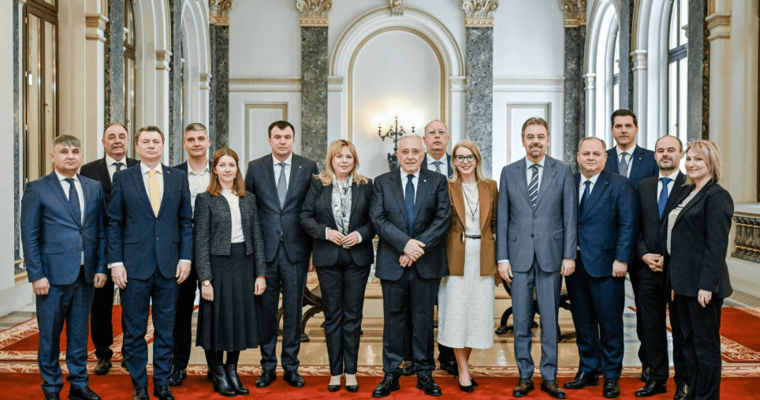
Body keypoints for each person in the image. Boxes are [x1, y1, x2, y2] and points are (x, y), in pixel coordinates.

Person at [107, 126, 193, 400]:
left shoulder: (178, 178)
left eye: (156, 141)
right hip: (134, 267)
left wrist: (186, 257)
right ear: (137, 146)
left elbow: (185, 221)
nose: (151, 145)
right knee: (135, 330)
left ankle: (162, 383)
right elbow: (114, 222)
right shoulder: (124, 178)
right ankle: (140, 384)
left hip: (170, 266)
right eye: (146, 141)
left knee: (166, 328)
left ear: (163, 145)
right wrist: (115, 262)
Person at [496, 117, 577, 399]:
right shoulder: (509, 172)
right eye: (530, 136)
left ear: (548, 140)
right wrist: (502, 258)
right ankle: (525, 375)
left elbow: (569, 216)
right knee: (521, 319)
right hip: (517, 257)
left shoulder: (562, 170)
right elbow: (503, 218)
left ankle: (550, 376)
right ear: (523, 140)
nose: (535, 141)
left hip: (551, 256)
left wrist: (569, 255)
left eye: (540, 136)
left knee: (550, 321)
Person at [21, 135, 107, 400]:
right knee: (49, 336)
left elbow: (101, 231)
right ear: (53, 156)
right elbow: (30, 235)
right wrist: (36, 274)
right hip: (51, 277)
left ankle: (79, 384)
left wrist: (100, 267)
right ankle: (51, 387)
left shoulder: (93, 187)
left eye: (75, 151)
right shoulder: (38, 189)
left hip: (85, 274)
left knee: (79, 335)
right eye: (64, 151)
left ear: (81, 156)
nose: (70, 156)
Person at [370, 134, 451, 398]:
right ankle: (391, 374)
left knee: (424, 320)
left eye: (416, 151)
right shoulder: (382, 182)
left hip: (426, 263)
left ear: (423, 154)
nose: (410, 156)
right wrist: (405, 244)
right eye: (405, 151)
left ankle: (425, 373)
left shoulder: (437, 181)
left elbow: (442, 219)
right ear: (398, 154)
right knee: (393, 321)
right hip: (393, 262)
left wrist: (416, 249)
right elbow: (378, 219)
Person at [244, 120, 319, 389]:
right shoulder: (256, 167)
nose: (282, 141)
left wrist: (312, 251)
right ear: (269, 140)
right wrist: (252, 253)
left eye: (287, 136)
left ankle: (291, 366)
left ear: (293, 139)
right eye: (277, 137)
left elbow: (313, 210)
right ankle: (267, 366)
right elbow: (249, 211)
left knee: (293, 310)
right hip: (265, 252)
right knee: (266, 312)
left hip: (296, 251)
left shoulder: (308, 167)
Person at [565, 137, 636, 399]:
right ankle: (588, 369)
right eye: (586, 153)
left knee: (609, 324)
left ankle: (611, 375)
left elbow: (628, 223)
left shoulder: (619, 184)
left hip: (607, 266)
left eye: (596, 154)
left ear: (605, 157)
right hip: (575, 266)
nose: (591, 158)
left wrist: (622, 258)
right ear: (578, 157)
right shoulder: (569, 182)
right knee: (583, 322)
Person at [300, 139, 374, 393]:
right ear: (331, 159)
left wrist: (361, 235)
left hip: (357, 259)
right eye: (339, 156)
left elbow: (375, 219)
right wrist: (325, 232)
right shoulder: (317, 184)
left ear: (355, 160)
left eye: (348, 156)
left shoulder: (365, 185)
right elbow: (305, 216)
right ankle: (334, 372)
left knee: (353, 316)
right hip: (328, 257)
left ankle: (350, 372)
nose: (344, 160)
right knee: (332, 316)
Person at [194, 148, 267, 396]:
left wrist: (260, 273)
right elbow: (200, 241)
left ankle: (232, 369)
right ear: (215, 170)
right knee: (216, 319)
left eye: (231, 165)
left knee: (238, 318)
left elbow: (257, 236)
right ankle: (218, 372)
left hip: (244, 264)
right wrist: (205, 279)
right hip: (217, 266)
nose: (227, 169)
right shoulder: (205, 200)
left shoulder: (248, 198)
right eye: (222, 165)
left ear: (237, 169)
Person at [666, 140, 733, 400]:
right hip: (682, 284)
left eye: (698, 159)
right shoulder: (688, 192)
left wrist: (706, 285)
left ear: (711, 163)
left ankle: (707, 396)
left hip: (702, 287)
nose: (691, 164)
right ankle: (693, 393)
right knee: (687, 344)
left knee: (704, 347)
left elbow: (716, 247)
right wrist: (674, 281)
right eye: (689, 159)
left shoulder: (717, 197)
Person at [437, 140, 498, 393]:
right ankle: (463, 369)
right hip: (455, 257)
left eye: (469, 157)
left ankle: (464, 364)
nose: (464, 162)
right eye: (459, 157)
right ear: (453, 161)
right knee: (455, 314)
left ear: (477, 159)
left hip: (483, 256)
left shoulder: (490, 186)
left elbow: (495, 223)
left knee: (477, 314)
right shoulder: (447, 186)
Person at [79, 122, 138, 376]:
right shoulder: (88, 170)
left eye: (121, 136)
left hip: (133, 246)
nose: (117, 140)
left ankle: (130, 351)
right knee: (100, 305)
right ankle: (103, 354)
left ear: (128, 141)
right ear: (103, 142)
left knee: (131, 304)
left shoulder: (139, 167)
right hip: (100, 246)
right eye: (111, 136)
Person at [634, 135, 689, 398]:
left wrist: (670, 257)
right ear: (655, 155)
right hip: (647, 270)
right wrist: (643, 254)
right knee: (651, 327)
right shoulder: (644, 186)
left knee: (681, 329)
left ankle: (683, 382)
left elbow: (691, 232)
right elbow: (635, 225)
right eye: (660, 150)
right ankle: (656, 379)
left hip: (677, 271)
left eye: (671, 150)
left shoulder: (690, 186)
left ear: (680, 154)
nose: (665, 154)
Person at [604, 109, 658, 381]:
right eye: (618, 126)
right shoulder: (602, 158)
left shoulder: (651, 159)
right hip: (608, 248)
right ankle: (606, 365)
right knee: (607, 311)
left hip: (643, 247)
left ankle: (649, 364)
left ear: (636, 128)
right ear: (612, 130)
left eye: (628, 125)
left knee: (647, 312)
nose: (623, 130)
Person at [169, 122, 212, 386]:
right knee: (180, 311)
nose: (196, 143)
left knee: (213, 310)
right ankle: (179, 365)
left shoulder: (220, 171)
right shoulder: (173, 174)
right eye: (191, 139)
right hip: (181, 251)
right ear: (184, 144)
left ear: (208, 142)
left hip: (214, 251)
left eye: (200, 138)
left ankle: (215, 366)